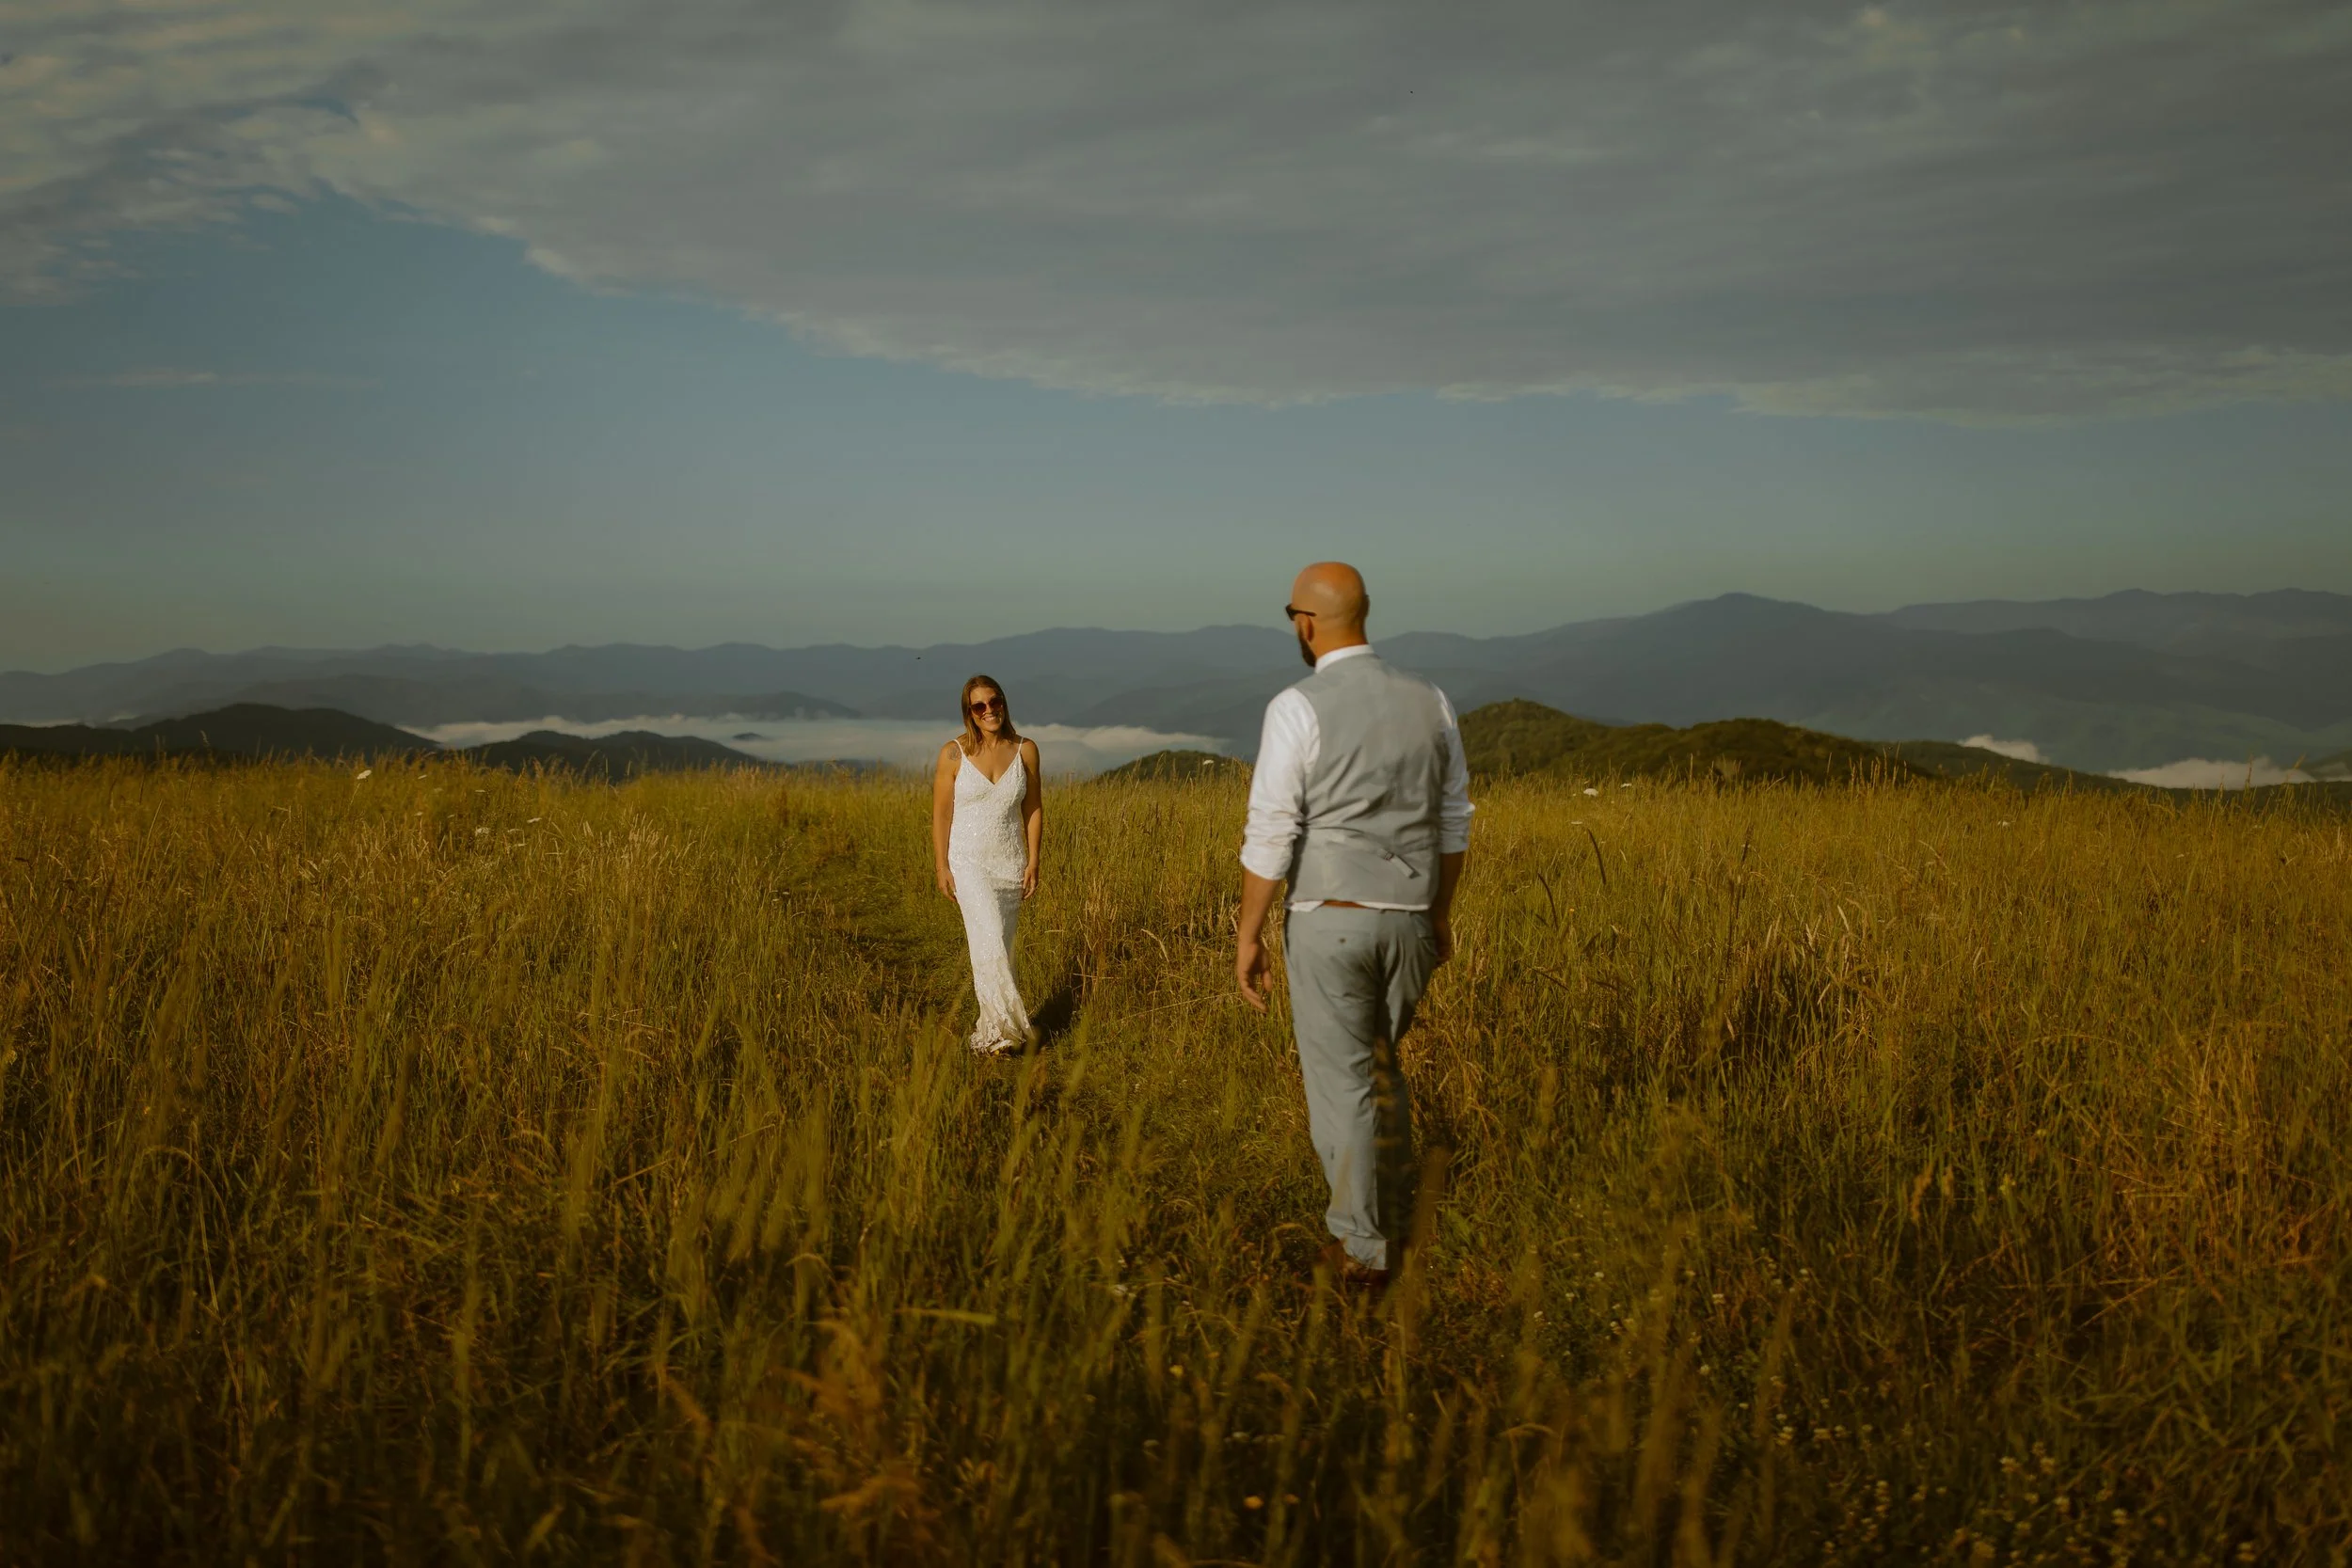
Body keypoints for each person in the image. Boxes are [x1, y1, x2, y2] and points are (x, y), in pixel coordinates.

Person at [1235, 562, 1473, 1290]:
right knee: (1378, 1075)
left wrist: (1249, 931)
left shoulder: (1296, 706)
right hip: (1409, 923)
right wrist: (1437, 913)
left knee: (1341, 1087)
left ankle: (1362, 1252)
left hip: (1329, 921)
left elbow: (1273, 829)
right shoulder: (1431, 699)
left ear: (1306, 622)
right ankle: (1382, 1219)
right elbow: (1454, 818)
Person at [932, 673, 1043, 1055]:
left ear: (1003, 702)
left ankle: (1001, 1029)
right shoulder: (952, 753)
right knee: (991, 937)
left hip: (1009, 860)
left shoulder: (1026, 749)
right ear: (970, 713)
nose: (989, 710)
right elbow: (942, 813)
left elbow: (1033, 807)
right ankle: (999, 1033)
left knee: (1000, 947)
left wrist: (1033, 861)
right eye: (979, 706)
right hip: (968, 861)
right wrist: (942, 866)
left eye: (994, 702)